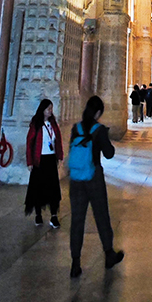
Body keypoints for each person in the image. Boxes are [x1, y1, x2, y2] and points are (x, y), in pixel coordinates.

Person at [68, 95, 125, 278]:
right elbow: (109, 154)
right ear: (98, 112)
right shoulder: (98, 130)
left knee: (77, 220)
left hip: (76, 179)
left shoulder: (76, 128)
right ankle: (109, 254)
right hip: (93, 177)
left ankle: (75, 263)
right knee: (101, 215)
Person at [25, 98, 64, 228]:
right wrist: (30, 162)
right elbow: (30, 143)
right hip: (39, 160)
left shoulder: (53, 124)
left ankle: (54, 216)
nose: (50, 111)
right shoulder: (36, 124)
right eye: (48, 109)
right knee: (38, 188)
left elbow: (58, 140)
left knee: (53, 189)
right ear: (42, 110)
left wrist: (60, 155)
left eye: (51, 109)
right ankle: (38, 215)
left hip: (50, 159)